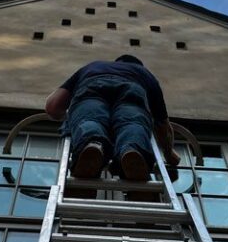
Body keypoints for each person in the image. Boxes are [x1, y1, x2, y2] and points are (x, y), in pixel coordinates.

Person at [45, 55, 180, 180]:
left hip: (91, 85)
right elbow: (163, 126)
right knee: (132, 123)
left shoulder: (93, 66)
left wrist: (70, 118)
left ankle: (92, 145)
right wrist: (169, 153)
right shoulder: (145, 74)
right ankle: (132, 150)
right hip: (133, 88)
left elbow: (52, 106)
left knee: (90, 119)